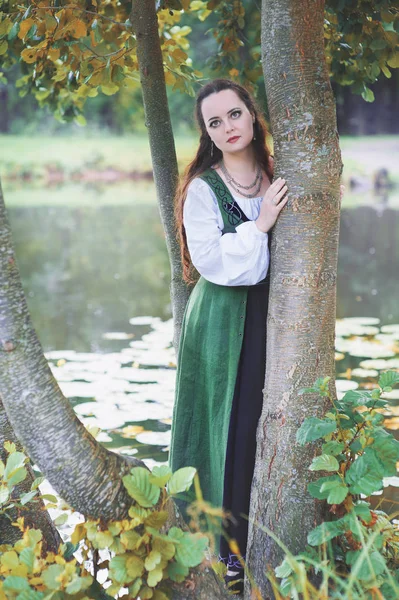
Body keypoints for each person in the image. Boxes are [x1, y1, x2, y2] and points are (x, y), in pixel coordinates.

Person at [169, 79, 288, 594]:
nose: (227, 127)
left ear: (252, 114)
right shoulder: (203, 187)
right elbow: (212, 261)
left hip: (272, 314)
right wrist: (259, 224)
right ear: (207, 133)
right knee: (232, 425)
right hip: (224, 316)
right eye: (214, 122)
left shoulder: (277, 173)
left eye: (234, 114)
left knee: (268, 420)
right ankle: (228, 549)